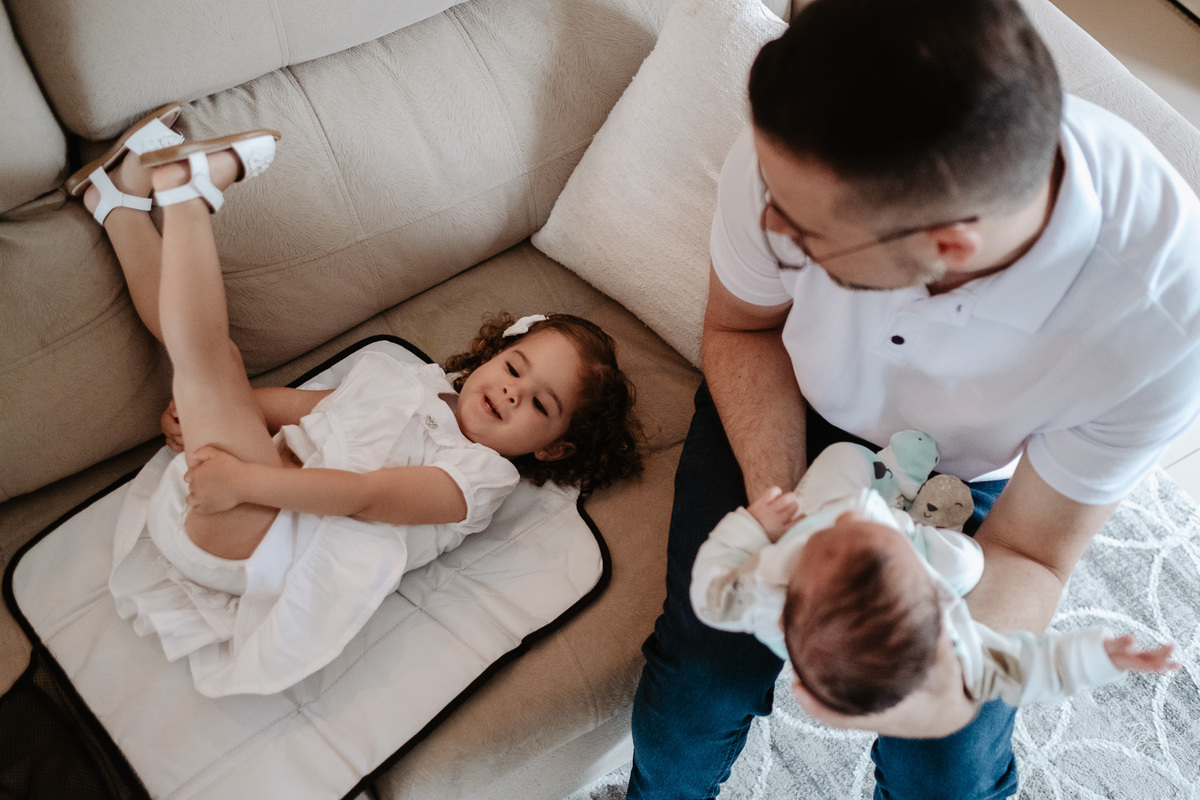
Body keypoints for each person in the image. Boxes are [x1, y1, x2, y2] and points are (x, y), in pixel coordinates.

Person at [627, 0, 1200, 797]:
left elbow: (1032, 554)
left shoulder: (1165, 321)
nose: (766, 225)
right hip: (790, 401)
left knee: (949, 764)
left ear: (948, 248)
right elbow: (740, 329)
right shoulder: (803, 150)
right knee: (701, 679)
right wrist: (788, 527)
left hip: (961, 483)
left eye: (801, 232)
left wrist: (942, 677)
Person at [66, 117, 642, 697]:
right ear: (492, 356)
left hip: (260, 545)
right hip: (231, 495)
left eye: (539, 403)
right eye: (514, 368)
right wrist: (210, 413)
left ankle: (185, 197)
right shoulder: (413, 382)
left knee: (209, 365)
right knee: (216, 363)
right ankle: (115, 202)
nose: (513, 390)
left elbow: (363, 499)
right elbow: (302, 407)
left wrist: (242, 479)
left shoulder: (481, 479)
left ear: (552, 446)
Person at [690, 441, 1178, 728]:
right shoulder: (952, 645)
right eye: (867, 528)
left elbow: (708, 586)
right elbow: (1027, 666)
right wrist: (1099, 659)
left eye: (845, 534)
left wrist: (755, 526)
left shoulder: (761, 590)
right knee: (969, 562)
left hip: (826, 518)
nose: (856, 519)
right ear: (930, 599)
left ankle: (889, 477)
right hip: (909, 544)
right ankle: (899, 489)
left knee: (843, 457)